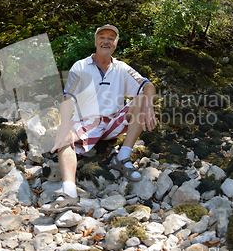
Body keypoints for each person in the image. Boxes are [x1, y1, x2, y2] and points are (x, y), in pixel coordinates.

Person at [40, 24, 156, 214]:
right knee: (65, 138)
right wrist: (64, 125)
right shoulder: (80, 66)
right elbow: (68, 97)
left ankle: (123, 157)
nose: (106, 41)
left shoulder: (122, 68)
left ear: (116, 43)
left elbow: (148, 85)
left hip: (112, 122)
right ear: (95, 41)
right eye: (102, 36)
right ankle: (68, 194)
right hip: (87, 122)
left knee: (142, 99)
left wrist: (148, 103)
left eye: (111, 38)